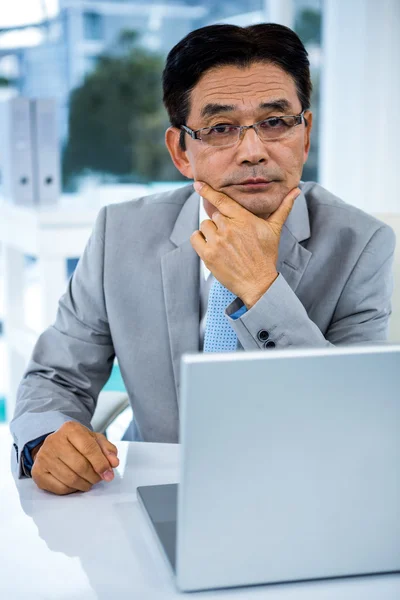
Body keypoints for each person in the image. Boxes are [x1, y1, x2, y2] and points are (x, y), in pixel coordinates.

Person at [10, 23, 395, 495]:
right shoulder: (120, 233)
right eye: (220, 128)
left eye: (275, 122)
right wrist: (46, 442)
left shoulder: (361, 245)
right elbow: (56, 376)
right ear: (181, 150)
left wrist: (261, 289)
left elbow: (354, 423)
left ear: (305, 133)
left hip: (297, 495)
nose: (253, 152)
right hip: (149, 490)